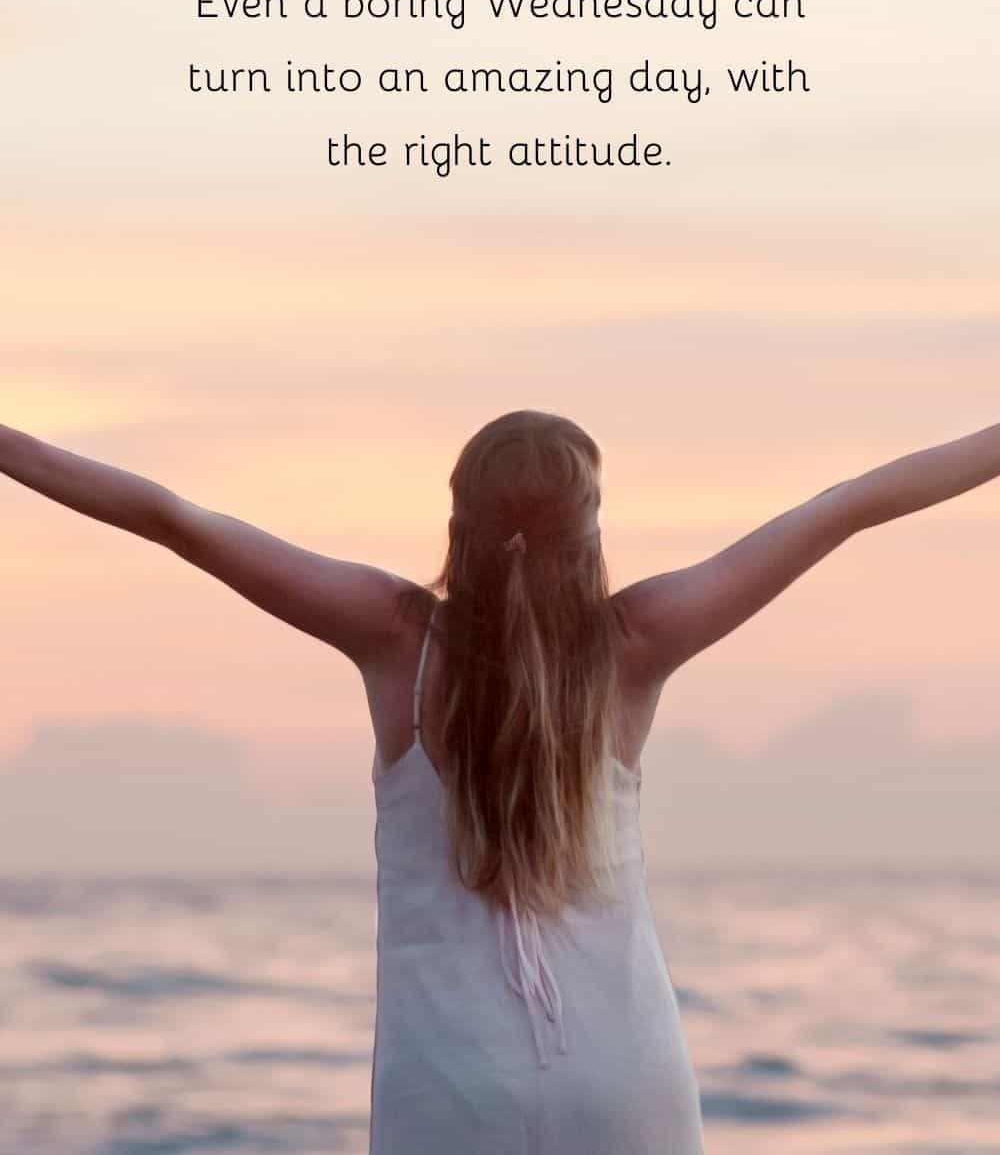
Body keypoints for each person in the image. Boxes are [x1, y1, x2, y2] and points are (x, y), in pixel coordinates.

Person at [3, 407, 999, 1153]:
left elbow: (173, 518)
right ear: (591, 522)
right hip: (625, 1079)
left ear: (458, 518)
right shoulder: (637, 640)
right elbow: (848, 506)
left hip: (446, 1087)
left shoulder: (394, 639)